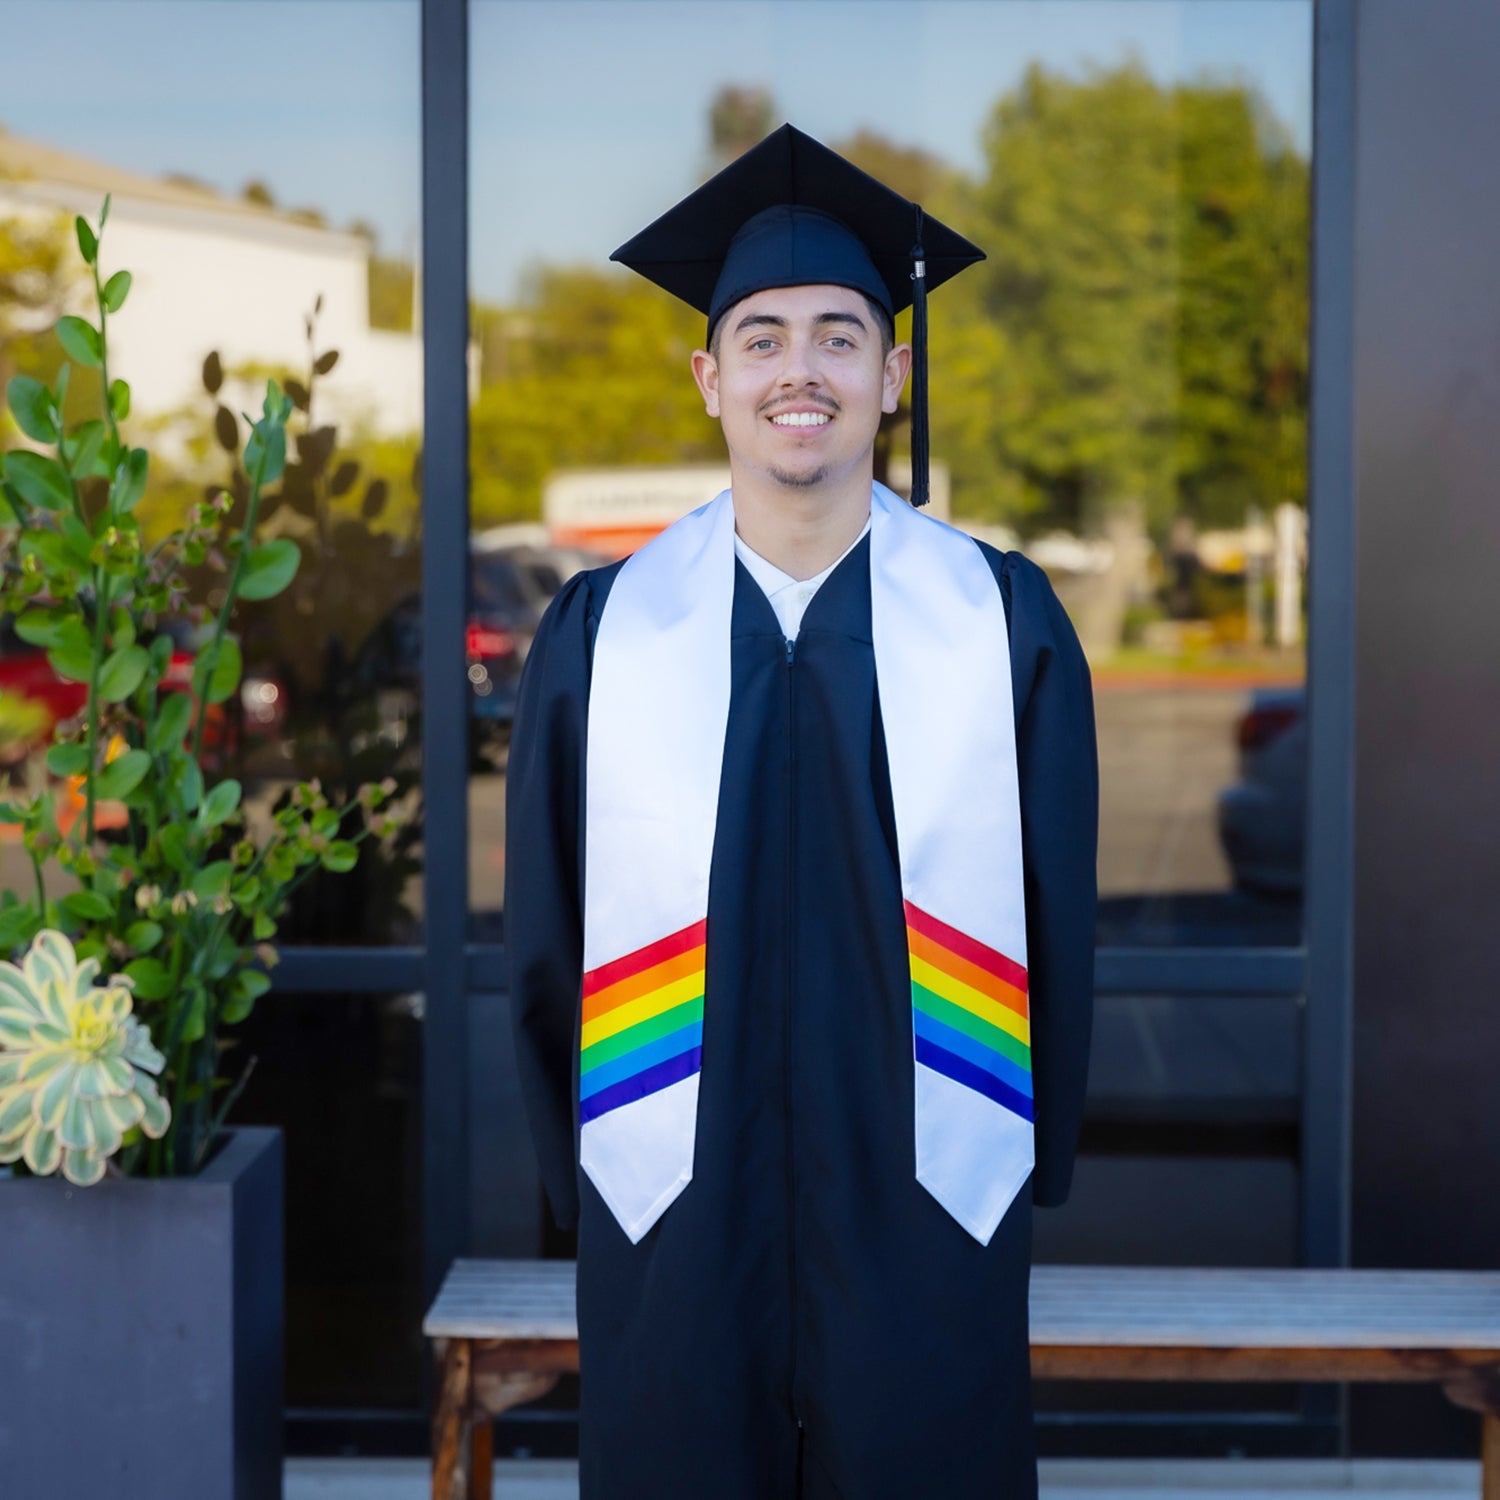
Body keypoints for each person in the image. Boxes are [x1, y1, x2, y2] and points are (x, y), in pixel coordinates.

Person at [504, 123, 1099, 1500]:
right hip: (675, 1196)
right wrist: (587, 1173)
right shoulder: (607, 633)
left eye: (840, 335)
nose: (801, 370)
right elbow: (548, 926)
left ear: (893, 373)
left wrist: (1024, 1154)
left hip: (927, 1191)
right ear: (709, 377)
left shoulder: (998, 623)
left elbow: (1056, 919)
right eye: (762, 338)